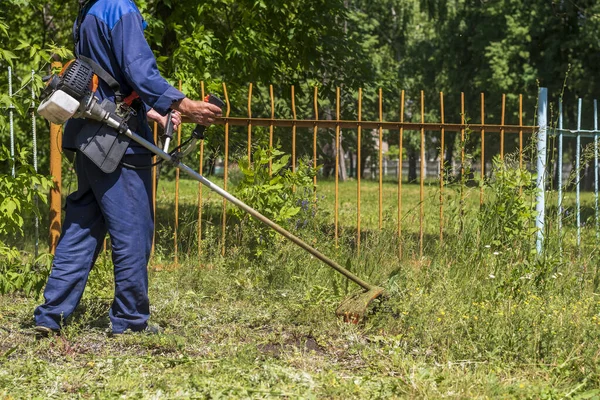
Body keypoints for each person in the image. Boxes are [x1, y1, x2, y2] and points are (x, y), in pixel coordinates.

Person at [34, 0, 222, 336]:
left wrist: (150, 108)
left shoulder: (90, 9)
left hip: (91, 132)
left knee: (83, 228)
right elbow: (138, 68)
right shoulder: (118, 6)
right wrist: (183, 104)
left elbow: (106, 73)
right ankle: (131, 321)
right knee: (133, 229)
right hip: (116, 140)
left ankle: (51, 316)